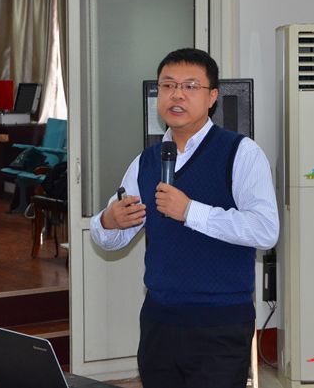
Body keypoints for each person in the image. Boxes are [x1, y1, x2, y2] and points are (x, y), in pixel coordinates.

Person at [90, 48, 279, 388]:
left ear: (212, 97)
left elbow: (265, 230)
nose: (177, 95)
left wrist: (190, 211)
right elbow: (109, 238)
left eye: (190, 86)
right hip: (159, 320)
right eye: (167, 85)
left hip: (220, 323)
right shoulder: (146, 162)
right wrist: (108, 221)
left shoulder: (241, 153)